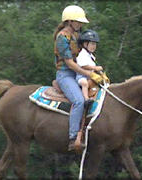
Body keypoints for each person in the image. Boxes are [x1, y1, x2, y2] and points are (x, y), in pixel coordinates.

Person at [53, 5, 105, 151]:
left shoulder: (77, 34)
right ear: (69, 21)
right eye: (78, 22)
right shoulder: (62, 38)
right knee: (79, 101)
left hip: (79, 72)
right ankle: (73, 137)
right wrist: (89, 74)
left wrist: (92, 68)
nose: (81, 24)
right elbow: (69, 63)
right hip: (66, 75)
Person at [76, 30, 103, 102]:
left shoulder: (91, 56)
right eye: (92, 44)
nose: (94, 46)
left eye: (95, 44)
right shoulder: (82, 54)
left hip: (90, 76)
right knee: (84, 83)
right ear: (85, 44)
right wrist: (95, 68)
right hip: (81, 76)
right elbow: (83, 66)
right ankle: (86, 99)